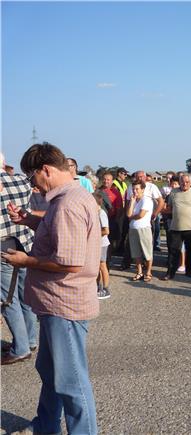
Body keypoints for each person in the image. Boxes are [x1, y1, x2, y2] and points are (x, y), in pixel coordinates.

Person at [3, 143, 99, 434]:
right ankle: (45, 426)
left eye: (32, 178)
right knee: (50, 372)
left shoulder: (68, 203)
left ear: (46, 170)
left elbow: (69, 263)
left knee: (71, 383)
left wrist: (26, 260)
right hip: (57, 304)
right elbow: (59, 235)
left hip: (64, 305)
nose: (33, 185)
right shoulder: (68, 198)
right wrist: (29, 219)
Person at [0, 152, 37, 365]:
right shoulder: (21, 181)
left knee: (6, 298)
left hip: (3, 245)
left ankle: (21, 348)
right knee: (25, 295)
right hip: (25, 242)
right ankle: (30, 339)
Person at [161, 174, 191, 280]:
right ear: (179, 182)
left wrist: (190, 216)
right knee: (173, 251)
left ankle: (189, 271)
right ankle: (170, 273)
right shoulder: (174, 192)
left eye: (187, 182)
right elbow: (170, 207)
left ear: (190, 182)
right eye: (183, 181)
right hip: (176, 227)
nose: (185, 183)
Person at [127, 181, 154, 282]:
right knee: (136, 252)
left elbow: (141, 215)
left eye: (137, 189)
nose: (135, 191)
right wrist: (132, 202)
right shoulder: (134, 200)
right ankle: (139, 272)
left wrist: (132, 217)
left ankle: (148, 272)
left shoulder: (146, 200)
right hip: (133, 228)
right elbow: (128, 214)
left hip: (144, 228)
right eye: (133, 189)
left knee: (147, 252)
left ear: (142, 189)